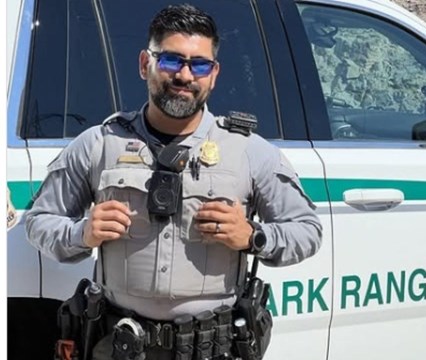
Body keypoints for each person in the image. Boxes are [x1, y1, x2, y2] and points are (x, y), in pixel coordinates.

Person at [24, 4, 322, 359]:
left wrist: (254, 236)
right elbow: (38, 222)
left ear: (213, 74)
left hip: (213, 348)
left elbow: (307, 230)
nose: (184, 75)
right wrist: (82, 233)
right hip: (118, 344)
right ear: (144, 64)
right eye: (170, 61)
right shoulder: (98, 144)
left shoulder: (249, 151)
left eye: (199, 65)